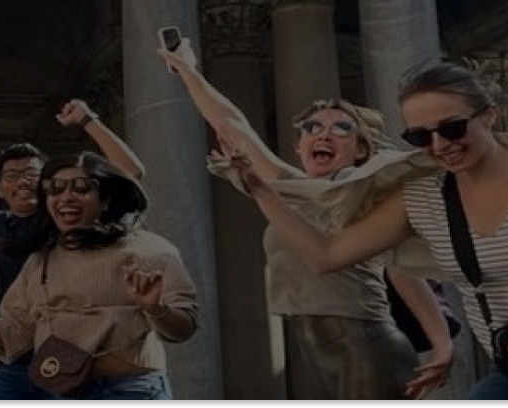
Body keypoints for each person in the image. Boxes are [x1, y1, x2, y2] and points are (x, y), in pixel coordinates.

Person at [229, 62, 508, 400]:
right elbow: (325, 256)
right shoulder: (421, 199)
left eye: (453, 127)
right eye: (422, 137)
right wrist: (261, 190)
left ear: (490, 116)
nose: (441, 145)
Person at [157, 39, 455, 399]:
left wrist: (442, 345)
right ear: (298, 146)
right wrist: (187, 70)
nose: (323, 133)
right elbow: (232, 123)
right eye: (311, 127)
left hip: (362, 341)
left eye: (342, 128)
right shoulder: (296, 189)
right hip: (319, 346)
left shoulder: (360, 189)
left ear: (361, 149)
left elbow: (404, 270)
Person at [0, 99, 146, 401]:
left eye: (32, 175)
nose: (22, 181)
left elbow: (130, 173)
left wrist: (88, 120)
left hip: (77, 358)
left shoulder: (67, 216)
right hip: (17, 357)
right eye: (12, 176)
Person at [0, 152, 199, 400]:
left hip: (129, 388)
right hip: (61, 388)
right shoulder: (41, 259)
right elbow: (14, 332)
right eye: (55, 189)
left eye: (81, 188)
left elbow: (183, 328)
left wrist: (155, 308)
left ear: (106, 199)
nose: (66, 197)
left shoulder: (148, 250)